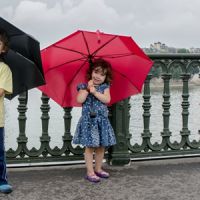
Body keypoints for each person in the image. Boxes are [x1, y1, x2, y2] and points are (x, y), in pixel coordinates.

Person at [73, 58, 116, 183]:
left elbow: (107, 100)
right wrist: (88, 89)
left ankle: (98, 169)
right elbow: (80, 100)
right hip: (89, 123)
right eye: (96, 72)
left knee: (101, 147)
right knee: (90, 147)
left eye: (102, 75)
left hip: (101, 121)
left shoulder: (104, 87)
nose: (98, 76)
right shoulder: (83, 86)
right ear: (91, 72)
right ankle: (90, 172)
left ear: (105, 77)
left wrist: (95, 92)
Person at [0, 29, 13, 193]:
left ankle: (2, 180)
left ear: (3, 49)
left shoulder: (4, 69)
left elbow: (1, 91)